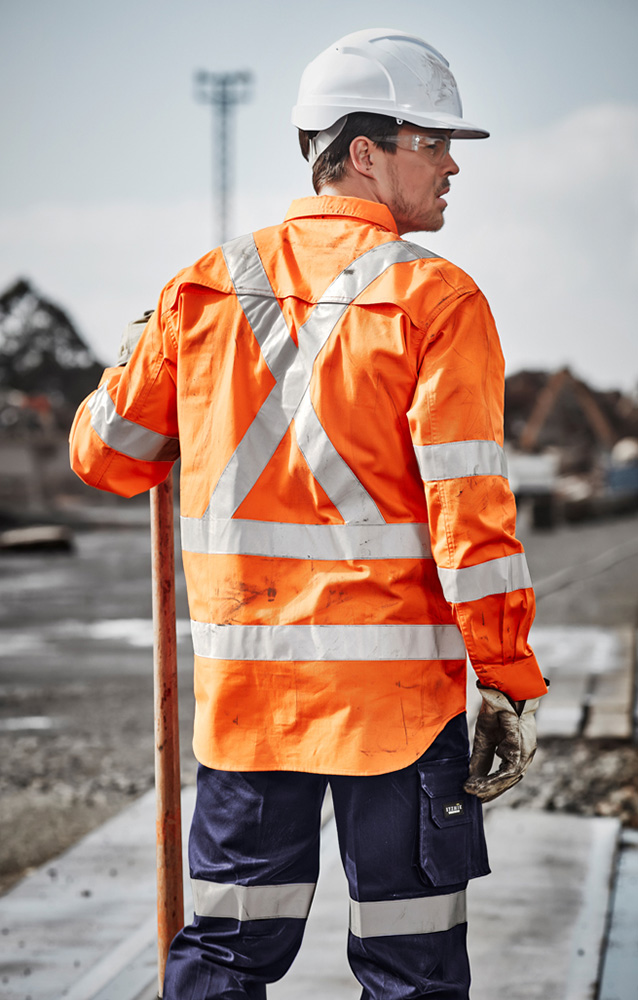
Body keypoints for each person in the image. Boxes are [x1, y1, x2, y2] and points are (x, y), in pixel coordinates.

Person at [70, 27, 548, 1000]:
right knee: (410, 972)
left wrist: (129, 361)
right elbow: (471, 519)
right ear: (363, 152)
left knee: (223, 959)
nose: (452, 163)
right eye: (432, 141)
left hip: (248, 713)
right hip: (399, 721)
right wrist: (503, 679)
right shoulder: (437, 301)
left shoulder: (199, 290)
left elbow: (108, 457)